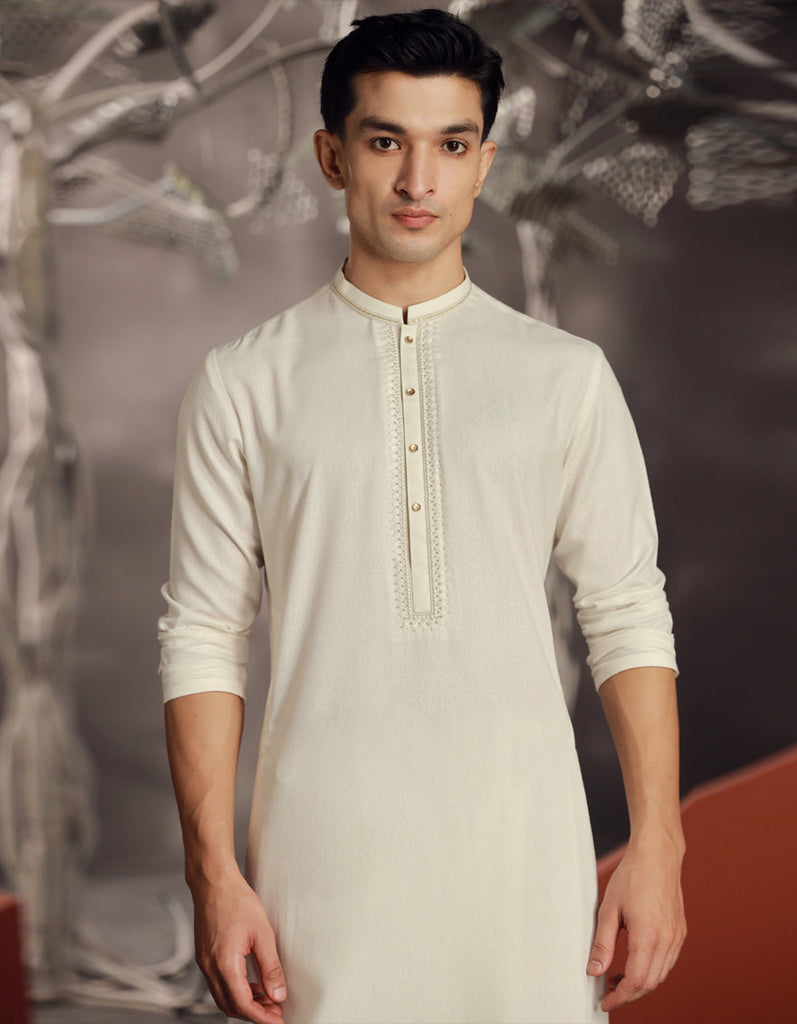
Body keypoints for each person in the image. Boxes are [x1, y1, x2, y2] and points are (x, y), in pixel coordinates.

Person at [158, 9, 686, 1024]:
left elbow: (625, 613)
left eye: (449, 145)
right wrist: (213, 875)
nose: (417, 181)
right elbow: (202, 635)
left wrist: (657, 845)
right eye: (384, 141)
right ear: (331, 156)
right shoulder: (242, 384)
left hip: (526, 868)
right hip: (318, 875)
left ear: (482, 163)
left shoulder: (565, 378)